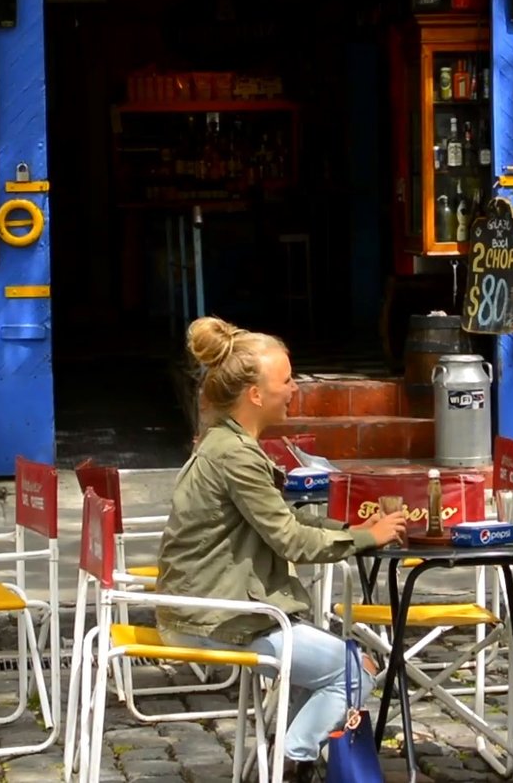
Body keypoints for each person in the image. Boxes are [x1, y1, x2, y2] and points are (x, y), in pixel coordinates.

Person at [156, 316, 410, 781]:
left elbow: (284, 520)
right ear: (255, 394)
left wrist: (349, 526)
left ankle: (281, 759)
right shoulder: (235, 454)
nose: (295, 389)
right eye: (287, 380)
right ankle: (294, 760)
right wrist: (364, 538)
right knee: (356, 670)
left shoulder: (226, 442)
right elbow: (289, 538)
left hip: (207, 609)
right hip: (219, 618)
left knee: (319, 667)